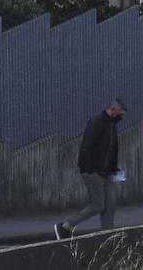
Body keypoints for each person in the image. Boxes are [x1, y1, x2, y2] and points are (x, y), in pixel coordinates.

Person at [55, 97, 126, 239]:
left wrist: (113, 169)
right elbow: (86, 147)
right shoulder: (97, 122)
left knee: (110, 205)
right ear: (113, 111)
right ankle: (65, 226)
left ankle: (107, 234)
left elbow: (110, 150)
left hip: (107, 173)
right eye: (120, 114)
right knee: (98, 205)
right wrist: (89, 169)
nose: (121, 117)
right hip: (94, 172)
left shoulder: (111, 125)